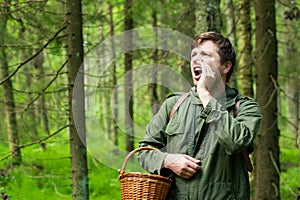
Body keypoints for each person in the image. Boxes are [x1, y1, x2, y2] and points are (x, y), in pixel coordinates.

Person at [137, 31, 262, 199]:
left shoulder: (245, 107)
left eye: (206, 55)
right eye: (194, 55)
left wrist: (205, 95)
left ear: (226, 66)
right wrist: (168, 160)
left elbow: (236, 142)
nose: (196, 60)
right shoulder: (174, 105)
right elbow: (144, 151)